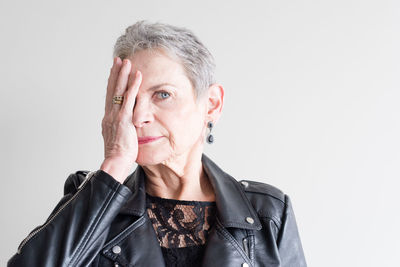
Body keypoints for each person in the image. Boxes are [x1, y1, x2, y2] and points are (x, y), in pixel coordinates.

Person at [8, 20, 306, 267]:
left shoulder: (268, 213)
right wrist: (114, 163)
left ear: (211, 104)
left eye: (162, 94)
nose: (138, 116)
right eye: (127, 99)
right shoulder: (94, 203)